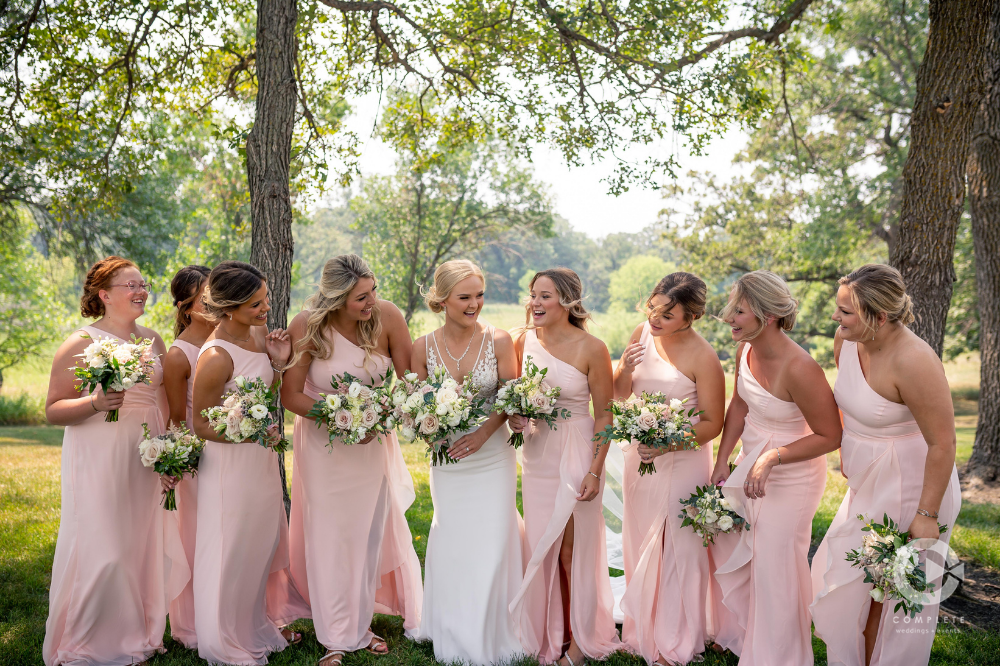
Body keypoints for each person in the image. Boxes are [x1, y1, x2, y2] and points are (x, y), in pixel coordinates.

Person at [811, 264, 961, 666]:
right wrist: (850, 458)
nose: (835, 318)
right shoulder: (845, 342)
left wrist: (926, 515)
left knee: (893, 599)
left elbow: (943, 442)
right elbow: (851, 407)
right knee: (851, 583)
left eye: (845, 311)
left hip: (913, 486)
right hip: (869, 481)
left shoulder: (915, 359)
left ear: (878, 317)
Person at [43, 256, 186, 666]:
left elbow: (163, 404)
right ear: (104, 294)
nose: (141, 291)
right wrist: (94, 401)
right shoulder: (81, 342)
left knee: (139, 544)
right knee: (104, 546)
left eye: (143, 283)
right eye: (130, 285)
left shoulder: (154, 340)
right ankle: (87, 642)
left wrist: (169, 454)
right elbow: (52, 410)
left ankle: (136, 635)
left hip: (144, 454)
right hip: (98, 455)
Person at [282, 254, 422, 666]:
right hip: (325, 449)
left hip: (373, 446)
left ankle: (360, 625)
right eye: (362, 296)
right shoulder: (307, 326)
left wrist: (383, 416)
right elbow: (291, 396)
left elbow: (410, 383)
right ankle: (335, 639)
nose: (372, 301)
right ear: (337, 298)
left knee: (366, 537)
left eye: (373, 291)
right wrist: (343, 419)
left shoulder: (389, 317)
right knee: (330, 538)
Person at [711, 270, 842, 665]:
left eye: (739, 311)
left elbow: (830, 435)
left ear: (768, 315)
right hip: (750, 466)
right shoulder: (745, 350)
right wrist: (722, 458)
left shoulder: (801, 367)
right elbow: (739, 405)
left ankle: (779, 657)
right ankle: (753, 638)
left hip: (792, 477)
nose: (729, 318)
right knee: (753, 558)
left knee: (776, 565)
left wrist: (773, 456)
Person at [190, 260, 308, 664]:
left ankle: (251, 624)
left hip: (259, 462)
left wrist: (277, 362)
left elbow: (261, 390)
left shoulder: (259, 335)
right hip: (230, 469)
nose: (265, 309)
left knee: (259, 546)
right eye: (255, 304)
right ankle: (223, 640)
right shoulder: (215, 356)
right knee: (230, 549)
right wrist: (250, 432)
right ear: (229, 309)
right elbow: (201, 425)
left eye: (265, 299)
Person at [410, 260, 524, 665]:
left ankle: (490, 628)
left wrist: (481, 434)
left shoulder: (499, 340)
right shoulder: (421, 347)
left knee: (493, 541)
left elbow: (511, 398)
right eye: (465, 297)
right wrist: (429, 428)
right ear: (442, 301)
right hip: (447, 459)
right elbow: (416, 403)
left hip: (492, 454)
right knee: (454, 539)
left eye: (479, 295)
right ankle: (451, 623)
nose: (474, 303)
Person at [509, 268, 622, 666]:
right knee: (543, 544)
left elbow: (606, 415)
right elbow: (515, 399)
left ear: (568, 303)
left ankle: (578, 643)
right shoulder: (522, 341)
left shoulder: (593, 347)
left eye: (545, 296)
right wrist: (516, 419)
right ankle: (549, 633)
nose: (535, 303)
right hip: (538, 452)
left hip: (577, 450)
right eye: (533, 295)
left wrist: (595, 469)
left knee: (571, 551)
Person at [614, 273, 725, 666]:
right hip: (639, 458)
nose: (656, 318)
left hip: (682, 460)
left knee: (677, 549)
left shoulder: (704, 356)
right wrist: (624, 367)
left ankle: (677, 638)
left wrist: (665, 444)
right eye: (654, 307)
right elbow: (618, 393)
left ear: (692, 316)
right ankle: (642, 629)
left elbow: (713, 422)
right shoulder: (641, 333)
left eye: (668, 314)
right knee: (640, 537)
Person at [161, 264, 213, 649]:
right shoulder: (179, 355)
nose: (215, 304)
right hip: (201, 460)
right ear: (188, 307)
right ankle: (196, 624)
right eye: (206, 299)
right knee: (202, 540)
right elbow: (177, 419)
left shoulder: (235, 341)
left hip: (244, 453)